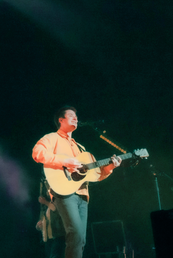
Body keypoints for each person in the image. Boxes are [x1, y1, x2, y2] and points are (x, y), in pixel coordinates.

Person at [32, 106, 122, 258]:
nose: (76, 118)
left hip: (82, 196)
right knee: (76, 234)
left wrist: (109, 168)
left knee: (80, 240)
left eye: (76, 116)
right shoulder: (52, 138)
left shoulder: (80, 148)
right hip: (64, 193)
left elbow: (94, 175)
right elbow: (37, 153)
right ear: (61, 120)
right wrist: (65, 161)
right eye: (71, 116)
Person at [36, 179, 65, 258]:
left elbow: (55, 209)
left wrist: (45, 202)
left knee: (55, 255)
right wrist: (39, 226)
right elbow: (41, 221)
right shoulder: (44, 207)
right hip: (47, 238)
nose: (48, 193)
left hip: (57, 236)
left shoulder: (57, 201)